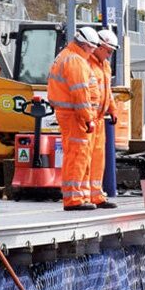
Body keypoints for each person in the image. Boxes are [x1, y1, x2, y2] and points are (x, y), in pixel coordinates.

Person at [47, 27, 101, 211]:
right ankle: (73, 199)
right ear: (85, 45)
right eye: (92, 48)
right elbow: (80, 94)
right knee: (76, 156)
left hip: (70, 114)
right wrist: (88, 118)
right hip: (75, 116)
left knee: (78, 155)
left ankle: (80, 195)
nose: (93, 52)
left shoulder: (67, 56)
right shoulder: (75, 61)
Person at [86, 28, 119, 209]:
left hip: (98, 119)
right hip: (88, 118)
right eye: (108, 51)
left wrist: (112, 109)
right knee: (85, 157)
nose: (109, 54)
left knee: (98, 158)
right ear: (98, 46)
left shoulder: (104, 65)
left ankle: (96, 194)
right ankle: (84, 196)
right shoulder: (86, 63)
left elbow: (108, 91)